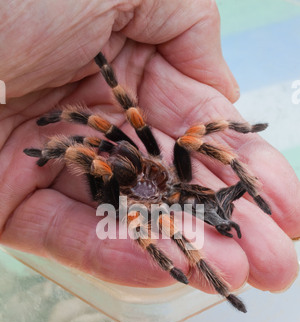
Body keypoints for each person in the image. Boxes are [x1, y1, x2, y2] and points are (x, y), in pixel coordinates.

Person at [0, 0, 299, 296]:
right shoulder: (113, 174)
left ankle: (236, 226)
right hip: (146, 201)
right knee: (111, 151)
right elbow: (97, 145)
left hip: (169, 190)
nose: (114, 152)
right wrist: (52, 147)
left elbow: (122, 121)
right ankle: (216, 279)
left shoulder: (134, 161)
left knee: (184, 140)